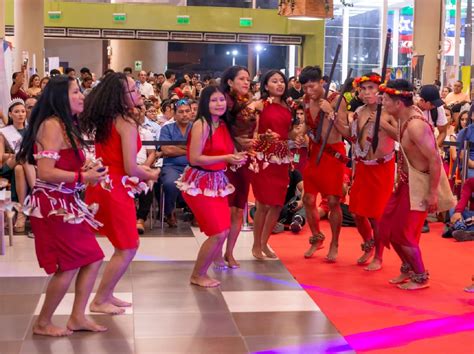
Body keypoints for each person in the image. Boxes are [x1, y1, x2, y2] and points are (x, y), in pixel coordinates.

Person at [16, 75, 108, 336]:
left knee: (92, 258)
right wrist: (83, 177)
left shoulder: (68, 126)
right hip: (53, 206)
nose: (82, 96)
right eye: (76, 92)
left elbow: (64, 165)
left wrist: (87, 170)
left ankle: (77, 317)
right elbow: (45, 172)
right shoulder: (52, 126)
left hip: (67, 201)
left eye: (81, 91)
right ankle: (43, 322)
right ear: (60, 98)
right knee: (68, 265)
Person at [82, 72, 159, 314]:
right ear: (120, 96)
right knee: (127, 246)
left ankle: (107, 294)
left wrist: (141, 171)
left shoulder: (108, 119)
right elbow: (130, 167)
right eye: (133, 90)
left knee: (122, 245)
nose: (138, 93)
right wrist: (150, 174)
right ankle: (100, 299)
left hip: (104, 183)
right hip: (114, 187)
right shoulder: (125, 122)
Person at [177, 85, 246, 286]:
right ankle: (198, 274)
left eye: (222, 100)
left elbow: (228, 151)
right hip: (199, 182)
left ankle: (205, 269)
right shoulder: (202, 124)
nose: (219, 104)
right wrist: (227, 157)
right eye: (214, 100)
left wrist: (237, 156)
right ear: (205, 103)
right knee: (217, 232)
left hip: (216, 181)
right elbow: (194, 157)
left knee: (223, 230)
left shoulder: (222, 125)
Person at [378, 79, 442, 290]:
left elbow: (434, 159)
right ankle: (408, 267)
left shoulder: (416, 125)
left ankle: (421, 275)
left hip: (418, 186)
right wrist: (379, 124)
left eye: (386, 99)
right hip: (404, 184)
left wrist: (433, 193)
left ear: (398, 103)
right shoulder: (403, 118)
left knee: (404, 234)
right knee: (387, 227)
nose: (383, 102)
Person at [338, 73, 397, 271]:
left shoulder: (388, 111)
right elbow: (350, 136)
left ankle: (379, 256)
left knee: (376, 215)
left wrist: (383, 124)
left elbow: (402, 135)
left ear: (380, 90)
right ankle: (368, 243)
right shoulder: (358, 111)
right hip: (362, 166)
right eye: (363, 89)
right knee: (356, 212)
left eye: (371, 88)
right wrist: (333, 118)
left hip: (382, 168)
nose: (366, 92)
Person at [299, 66, 348, 262]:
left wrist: (331, 113)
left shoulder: (337, 99)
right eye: (304, 88)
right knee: (308, 200)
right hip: (313, 154)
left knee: (334, 201)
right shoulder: (305, 100)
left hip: (333, 154)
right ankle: (317, 237)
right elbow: (308, 124)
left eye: (312, 86)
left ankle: (335, 242)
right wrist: (299, 133)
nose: (308, 91)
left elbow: (346, 131)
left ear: (322, 82)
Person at [250, 70, 294, 259]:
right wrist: (264, 138)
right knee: (263, 204)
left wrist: (297, 138)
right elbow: (251, 132)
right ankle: (255, 245)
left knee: (277, 204)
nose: (279, 84)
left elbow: (288, 132)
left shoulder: (288, 105)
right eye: (274, 81)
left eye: (282, 81)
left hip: (282, 159)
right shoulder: (260, 105)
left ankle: (264, 242)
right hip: (263, 158)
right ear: (266, 85)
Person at [221, 66, 259, 267]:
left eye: (248, 79)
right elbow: (217, 131)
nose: (246, 82)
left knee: (238, 208)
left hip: (244, 159)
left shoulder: (250, 102)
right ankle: (217, 250)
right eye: (242, 79)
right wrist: (236, 141)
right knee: (225, 209)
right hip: (225, 160)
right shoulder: (222, 102)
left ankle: (230, 251)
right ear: (229, 81)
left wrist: (255, 140)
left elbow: (253, 131)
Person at [1, 99, 36, 233]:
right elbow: (1, 156)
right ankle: (35, 190)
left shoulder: (31, 131)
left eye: (23, 111)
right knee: (22, 157)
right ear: (10, 114)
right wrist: (13, 156)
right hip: (7, 168)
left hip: (24, 167)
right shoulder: (4, 132)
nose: (21, 114)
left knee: (20, 168)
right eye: (16, 112)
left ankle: (21, 211)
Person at [159, 98, 192, 227]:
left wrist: (177, 147)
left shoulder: (196, 127)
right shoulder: (167, 129)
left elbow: (201, 148)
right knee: (169, 183)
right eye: (181, 111)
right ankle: (169, 212)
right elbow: (166, 150)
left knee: (202, 180)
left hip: (193, 165)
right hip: (172, 166)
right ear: (174, 114)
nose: (184, 114)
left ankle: (196, 213)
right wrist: (190, 149)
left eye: (187, 111)